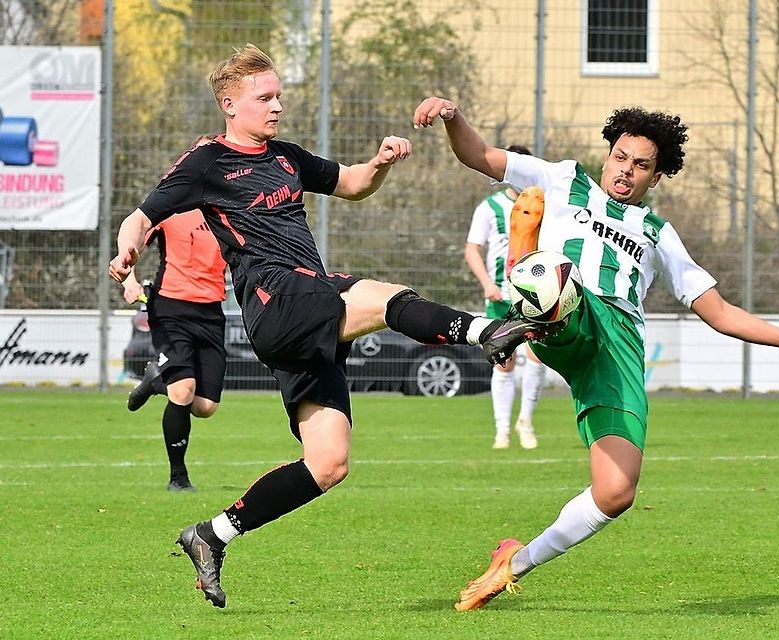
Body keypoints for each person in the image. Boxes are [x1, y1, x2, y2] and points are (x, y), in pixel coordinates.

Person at [107, 44, 540, 609]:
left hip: (303, 308)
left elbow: (354, 183)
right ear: (229, 103)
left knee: (328, 463)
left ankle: (212, 534)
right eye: (265, 98)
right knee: (384, 298)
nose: (277, 106)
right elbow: (142, 216)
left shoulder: (285, 156)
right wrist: (128, 250)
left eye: (280, 95)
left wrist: (381, 161)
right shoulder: (207, 162)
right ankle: (485, 331)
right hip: (275, 298)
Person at [412, 96, 779, 611]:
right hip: (574, 308)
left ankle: (513, 561)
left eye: (641, 165)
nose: (626, 171)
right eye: (621, 157)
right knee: (556, 282)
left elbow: (719, 311)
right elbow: (481, 156)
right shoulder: (563, 180)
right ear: (609, 153)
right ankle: (528, 310)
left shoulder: (658, 234)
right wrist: (452, 117)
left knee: (616, 491)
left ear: (657, 176)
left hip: (618, 347)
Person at [121, 134, 225, 492]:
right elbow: (134, 239)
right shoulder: (170, 206)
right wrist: (128, 277)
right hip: (170, 305)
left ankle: (156, 378)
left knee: (205, 406)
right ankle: (178, 478)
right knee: (183, 390)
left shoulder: (229, 208)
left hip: (212, 310)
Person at [464, 144, 547, 449]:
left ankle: (526, 422)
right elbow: (473, 249)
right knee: (504, 362)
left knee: (538, 359)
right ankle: (502, 431)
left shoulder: (544, 206)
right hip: (500, 295)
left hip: (536, 297)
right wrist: (487, 283)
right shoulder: (490, 207)